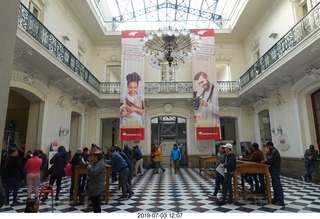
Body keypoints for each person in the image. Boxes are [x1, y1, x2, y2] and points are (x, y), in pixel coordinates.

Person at [262, 141, 285, 206]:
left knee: (277, 185)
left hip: (275, 170)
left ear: (269, 146)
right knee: (274, 185)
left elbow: (269, 160)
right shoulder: (272, 151)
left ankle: (280, 200)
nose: (266, 148)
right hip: (273, 170)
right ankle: (276, 198)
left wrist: (267, 154)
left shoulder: (274, 151)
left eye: (266, 147)